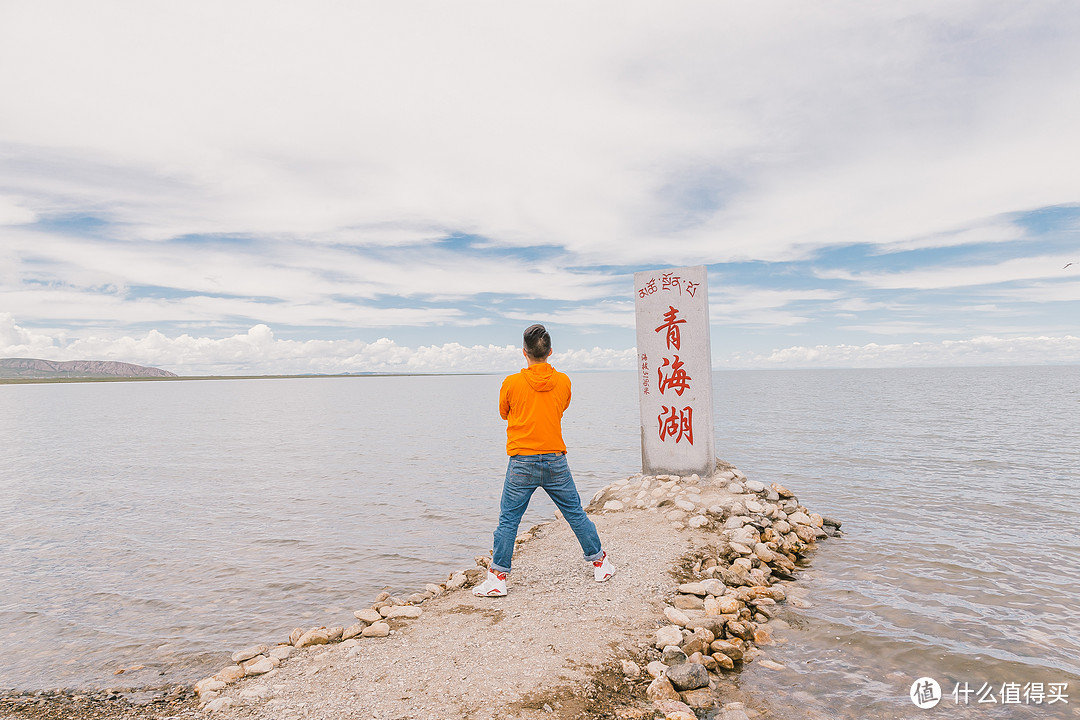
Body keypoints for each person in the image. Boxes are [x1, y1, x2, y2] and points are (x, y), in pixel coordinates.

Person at [474, 324, 614, 597]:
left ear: (523, 353)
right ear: (550, 352)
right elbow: (561, 407)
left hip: (521, 461)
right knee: (575, 514)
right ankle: (600, 562)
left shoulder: (511, 383)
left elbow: (504, 413)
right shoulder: (563, 381)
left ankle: (497, 579)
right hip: (555, 460)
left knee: (508, 520)